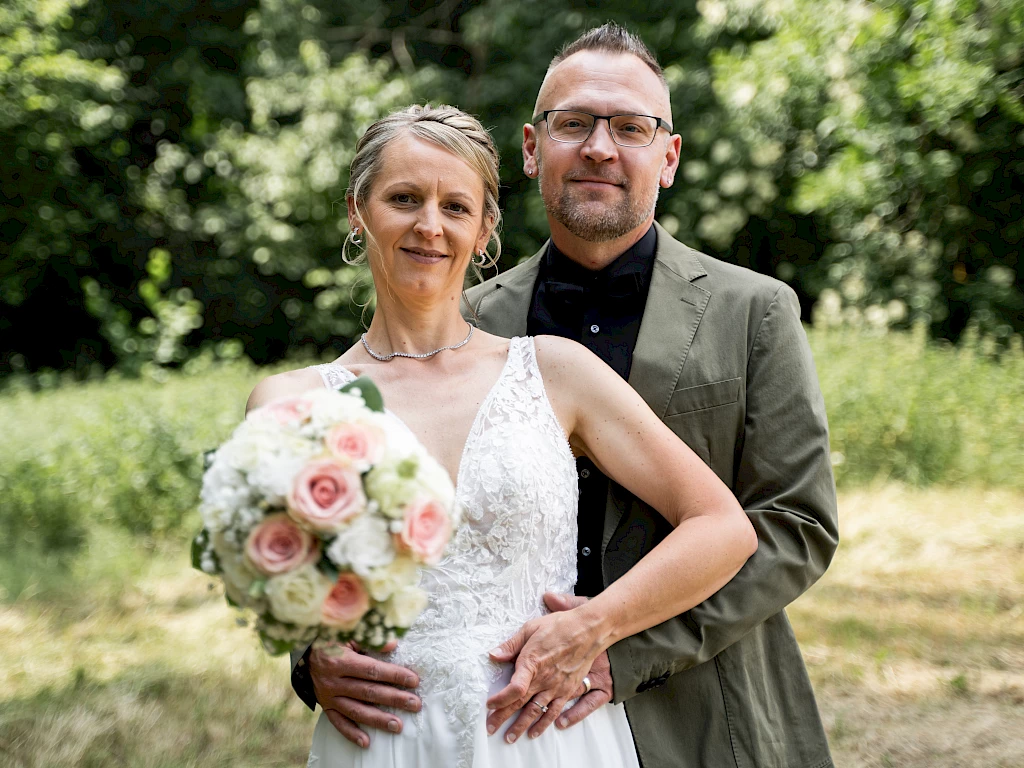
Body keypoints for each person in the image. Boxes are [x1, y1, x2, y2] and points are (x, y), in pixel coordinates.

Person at [295, 24, 840, 768]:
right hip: (491, 725)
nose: (600, 148)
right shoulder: (467, 321)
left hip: (708, 706)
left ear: (668, 155)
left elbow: (793, 525)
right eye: (573, 124)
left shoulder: (754, 311)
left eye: (631, 128)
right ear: (531, 147)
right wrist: (313, 656)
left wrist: (620, 644)